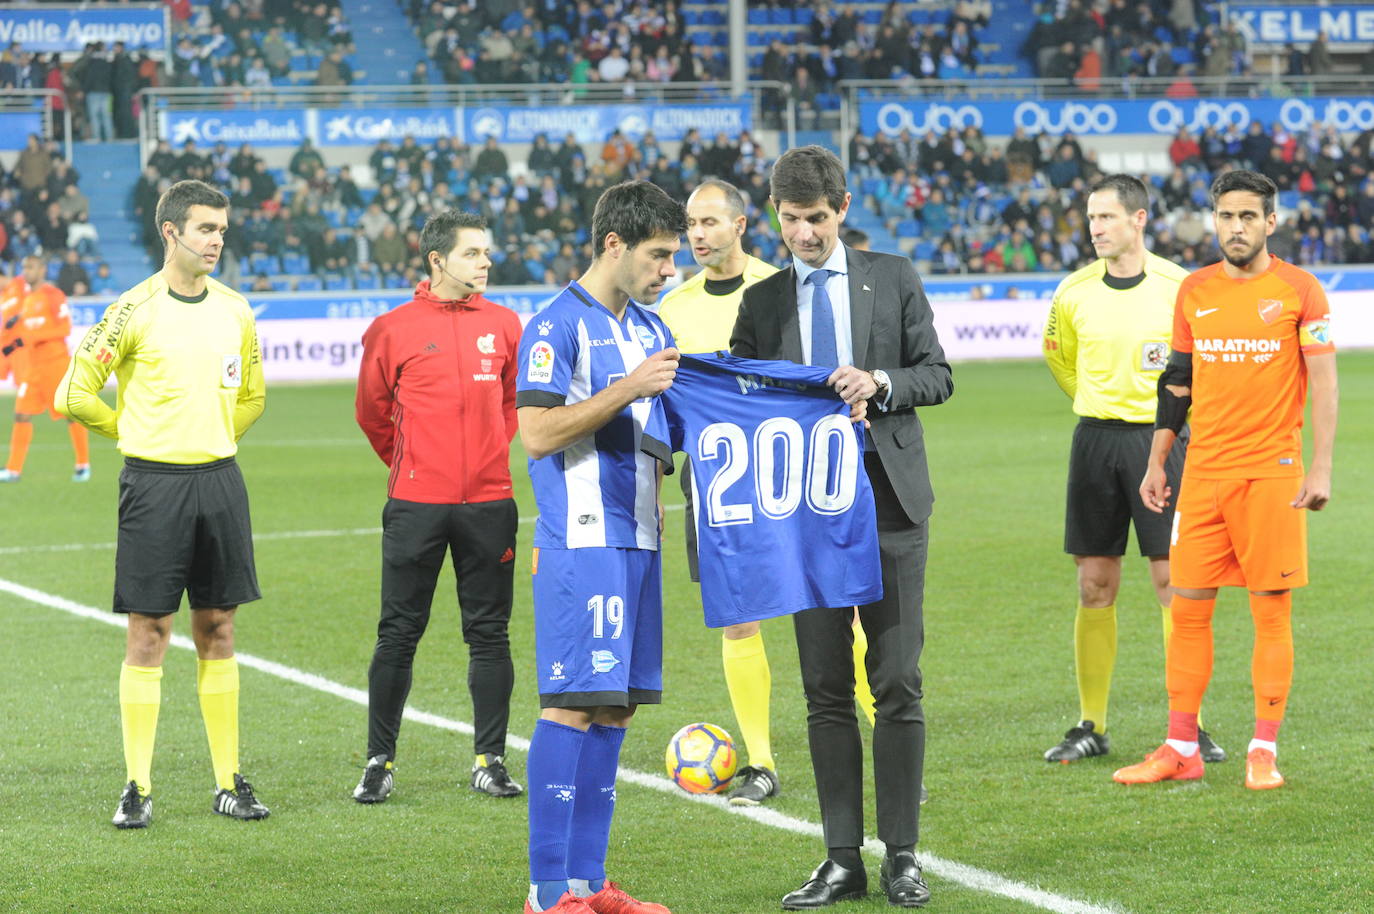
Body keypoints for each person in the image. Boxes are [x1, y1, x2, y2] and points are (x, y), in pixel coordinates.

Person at [730, 146, 952, 909]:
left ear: (843, 208)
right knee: (824, 689)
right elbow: (742, 398)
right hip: (805, 515)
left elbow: (937, 373)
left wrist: (881, 382)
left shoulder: (891, 277)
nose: (804, 235)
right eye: (790, 221)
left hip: (889, 503)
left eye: (816, 219)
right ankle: (839, 860)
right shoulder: (760, 305)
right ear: (775, 216)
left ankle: (902, 857)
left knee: (896, 683)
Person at [55, 180, 270, 829]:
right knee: (149, 633)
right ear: (171, 232)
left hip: (220, 482)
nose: (217, 241)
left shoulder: (235, 310)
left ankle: (229, 781)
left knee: (219, 630)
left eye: (223, 230)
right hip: (153, 486)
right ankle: (137, 786)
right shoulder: (132, 309)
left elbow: (253, 395)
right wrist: (131, 431)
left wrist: (214, 434)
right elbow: (74, 391)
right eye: (206, 229)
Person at [1115, 170, 1338, 790]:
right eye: (1225, 217)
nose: (1235, 228)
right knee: (1187, 610)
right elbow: (1177, 383)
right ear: (1212, 220)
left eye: (1247, 217)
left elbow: (1324, 384)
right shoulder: (1194, 291)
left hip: (1271, 475)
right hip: (1203, 474)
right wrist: (1159, 461)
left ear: (1272, 221)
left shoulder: (1301, 291)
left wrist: (1319, 466)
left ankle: (1262, 750)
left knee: (1270, 613)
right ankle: (1180, 747)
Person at [515, 180, 685, 914]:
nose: (668, 269)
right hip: (581, 543)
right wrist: (629, 388)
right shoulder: (555, 326)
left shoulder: (650, 327)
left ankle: (590, 884)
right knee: (572, 704)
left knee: (616, 710)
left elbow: (662, 427)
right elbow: (538, 434)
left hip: (639, 540)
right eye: (658, 255)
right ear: (614, 243)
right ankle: (547, 893)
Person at [1040, 175, 1225, 766]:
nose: (1095, 228)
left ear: (1139, 220)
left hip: (1163, 443)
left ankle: (1187, 725)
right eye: (1091, 218)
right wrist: (1097, 400)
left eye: (1107, 218)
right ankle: (1090, 723)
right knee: (1094, 582)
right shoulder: (1073, 291)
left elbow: (1201, 368)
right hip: (1094, 441)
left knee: (1175, 584)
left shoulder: (1181, 288)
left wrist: (1161, 425)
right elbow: (1060, 358)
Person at [351, 211, 525, 803]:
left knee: (490, 634)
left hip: (490, 502)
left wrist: (486, 456)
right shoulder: (393, 328)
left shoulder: (504, 324)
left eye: (486, 252)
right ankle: (380, 761)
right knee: (398, 633)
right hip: (415, 504)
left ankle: (491, 758)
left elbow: (512, 403)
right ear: (437, 259)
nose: (485, 262)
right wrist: (415, 465)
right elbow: (372, 413)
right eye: (473, 253)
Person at [658, 178, 814, 808]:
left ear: (742, 225)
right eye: (690, 225)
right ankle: (760, 761)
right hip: (715, 482)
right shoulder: (674, 308)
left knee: (833, 608)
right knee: (738, 617)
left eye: (709, 223)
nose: (697, 235)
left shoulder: (785, 289)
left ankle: (882, 740)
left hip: (786, 471)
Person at [0, 255, 91, 482]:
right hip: (34, 369)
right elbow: (21, 335)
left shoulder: (53, 295)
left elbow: (64, 329)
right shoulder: (28, 301)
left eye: (30, 267)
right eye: (23, 267)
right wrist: (7, 348)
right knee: (21, 413)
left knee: (70, 414)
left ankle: (83, 465)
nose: (25, 271)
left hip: (55, 365)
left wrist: (33, 336)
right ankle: (13, 470)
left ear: (42, 269)